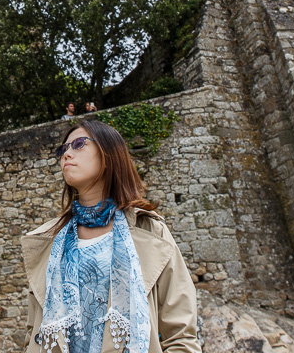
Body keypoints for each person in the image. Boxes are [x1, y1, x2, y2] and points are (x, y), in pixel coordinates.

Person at [21, 120, 201, 353]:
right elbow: (32, 334)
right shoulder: (49, 240)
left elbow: (181, 334)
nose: (67, 154)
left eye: (78, 144)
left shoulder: (149, 230)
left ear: (109, 154)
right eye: (62, 149)